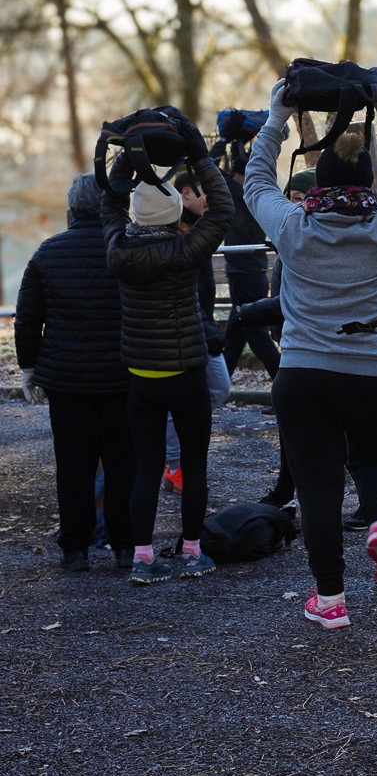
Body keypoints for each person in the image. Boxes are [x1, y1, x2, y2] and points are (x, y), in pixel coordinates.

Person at [245, 87, 377, 630]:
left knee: (317, 487)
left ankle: (330, 601)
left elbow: (256, 179)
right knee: (375, 457)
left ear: (318, 183)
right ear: (369, 184)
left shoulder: (293, 227)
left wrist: (278, 117)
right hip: (376, 375)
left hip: (304, 377)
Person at [102, 120, 234, 582]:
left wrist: (125, 158)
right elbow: (221, 211)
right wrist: (200, 155)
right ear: (175, 209)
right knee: (193, 464)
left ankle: (142, 558)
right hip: (186, 376)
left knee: (146, 468)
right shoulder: (186, 252)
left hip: (142, 378)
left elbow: (110, 204)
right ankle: (193, 552)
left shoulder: (118, 252)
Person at [14, 172, 136, 571]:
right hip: (123, 375)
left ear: (71, 209)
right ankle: (124, 545)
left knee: (73, 466)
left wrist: (28, 367)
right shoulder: (127, 250)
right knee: (123, 464)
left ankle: (75, 549)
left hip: (67, 380)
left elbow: (28, 319)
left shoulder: (47, 253)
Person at [161, 169, 232, 495]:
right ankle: (174, 465)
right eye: (206, 192)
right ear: (186, 193)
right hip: (186, 333)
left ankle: (175, 458)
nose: (211, 200)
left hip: (200, 328)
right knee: (202, 393)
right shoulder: (177, 234)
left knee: (217, 389)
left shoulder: (197, 229)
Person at [220, 140, 281, 380]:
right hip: (250, 273)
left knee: (256, 334)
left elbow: (217, 175)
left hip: (244, 276)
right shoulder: (257, 196)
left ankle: (282, 380)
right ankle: (220, 386)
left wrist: (224, 144)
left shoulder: (238, 194)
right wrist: (239, 148)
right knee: (236, 336)